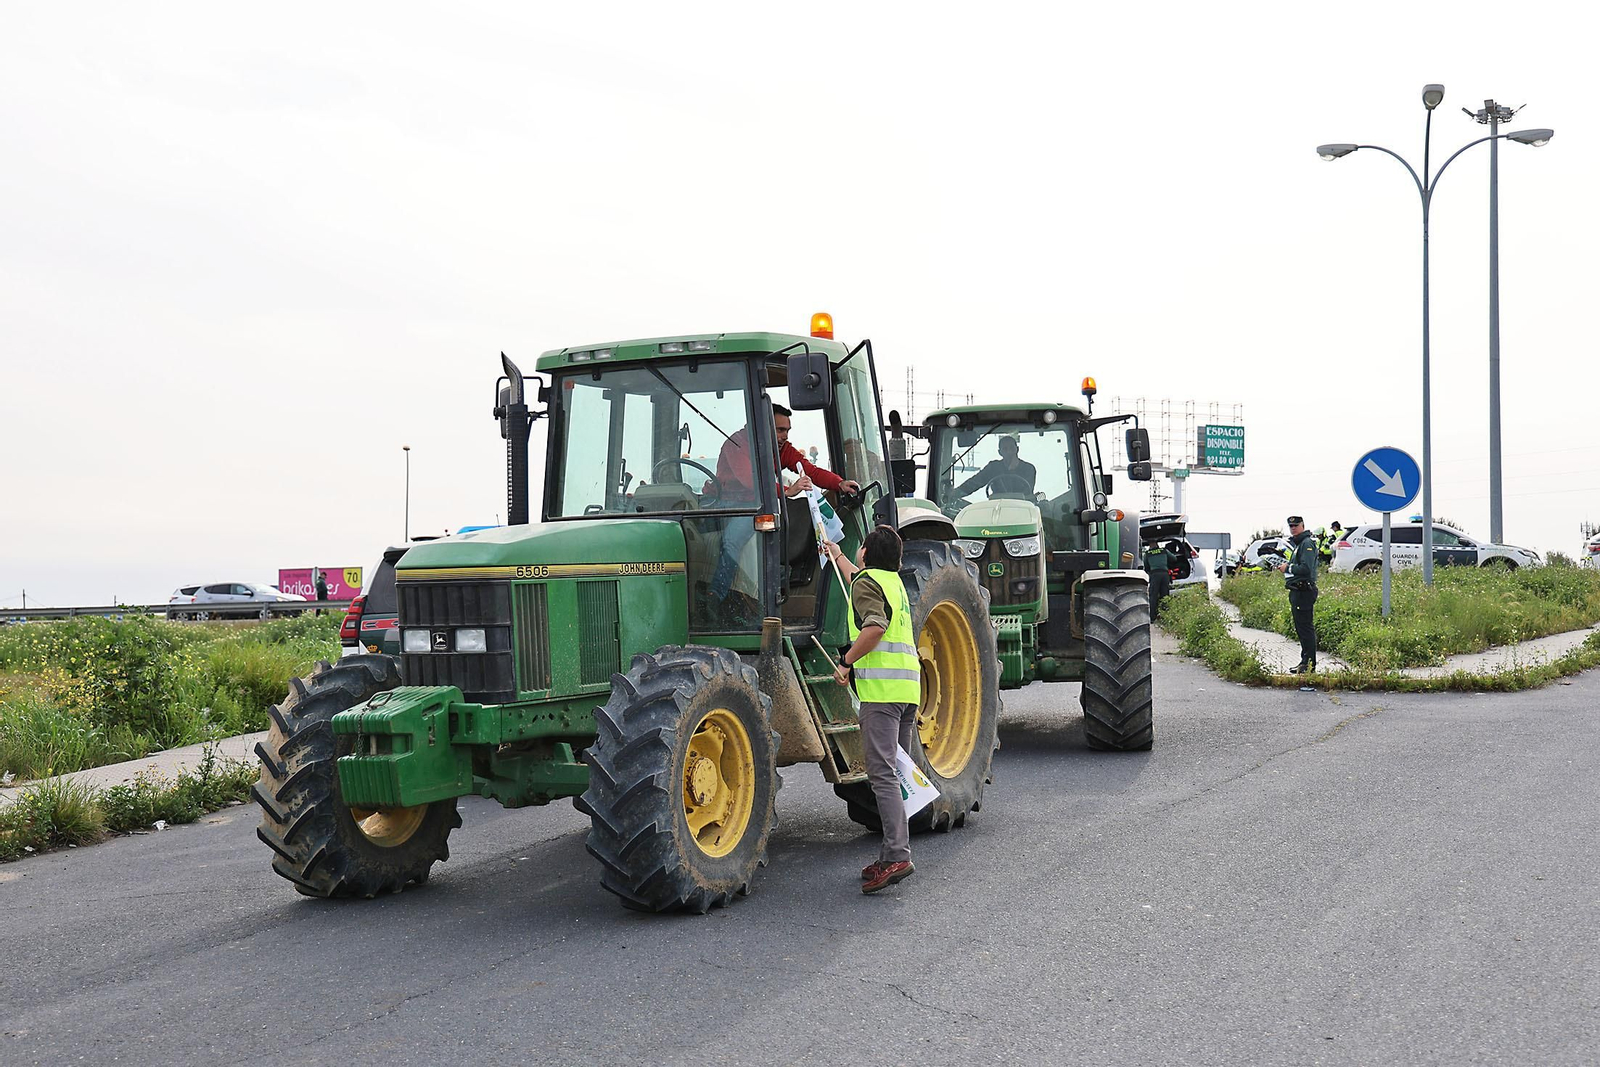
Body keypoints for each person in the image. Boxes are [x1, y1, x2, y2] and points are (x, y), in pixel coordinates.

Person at [824, 526, 919, 895]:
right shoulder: (890, 581)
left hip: (881, 695)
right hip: (907, 690)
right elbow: (856, 578)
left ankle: (897, 854)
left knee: (882, 775)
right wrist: (835, 552)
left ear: (866, 552)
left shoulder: (867, 583)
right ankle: (890, 852)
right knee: (895, 773)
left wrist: (846, 661)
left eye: (857, 548)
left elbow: (874, 627)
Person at [710, 404, 860, 605]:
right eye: (780, 430)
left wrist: (839, 483)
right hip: (724, 502)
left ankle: (717, 598)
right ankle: (716, 596)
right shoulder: (737, 444)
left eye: (787, 430)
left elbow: (810, 471)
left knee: (733, 539)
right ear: (762, 425)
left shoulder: (781, 449)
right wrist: (787, 491)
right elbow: (752, 481)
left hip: (752, 506)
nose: (785, 435)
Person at [1277, 515, 1320, 674]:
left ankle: (1308, 665)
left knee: (1305, 629)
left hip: (1304, 590)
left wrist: (1288, 568)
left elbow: (1306, 568)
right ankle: (1304, 662)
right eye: (1291, 526)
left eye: (1296, 525)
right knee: (1301, 629)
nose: (1293, 528)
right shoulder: (1299, 544)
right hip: (1298, 590)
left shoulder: (1306, 543)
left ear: (1303, 525)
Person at [953, 435, 1036, 499]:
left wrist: (1011, 470)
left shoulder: (1028, 469)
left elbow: (1027, 493)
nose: (1009, 452)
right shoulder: (993, 468)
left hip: (1022, 511)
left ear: (1017, 449)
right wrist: (955, 494)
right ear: (1000, 452)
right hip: (997, 509)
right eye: (1005, 449)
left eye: (1011, 448)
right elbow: (975, 482)